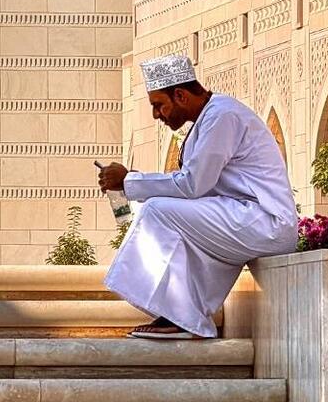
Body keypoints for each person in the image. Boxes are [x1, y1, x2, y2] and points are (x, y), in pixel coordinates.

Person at [97, 54, 299, 339]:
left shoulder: (222, 116)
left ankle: (182, 315)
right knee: (169, 215)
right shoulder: (209, 119)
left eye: (158, 105)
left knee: (157, 210)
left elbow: (193, 185)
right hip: (242, 217)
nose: (156, 115)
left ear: (180, 95)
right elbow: (195, 189)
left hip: (264, 221)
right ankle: (178, 313)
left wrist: (130, 180)